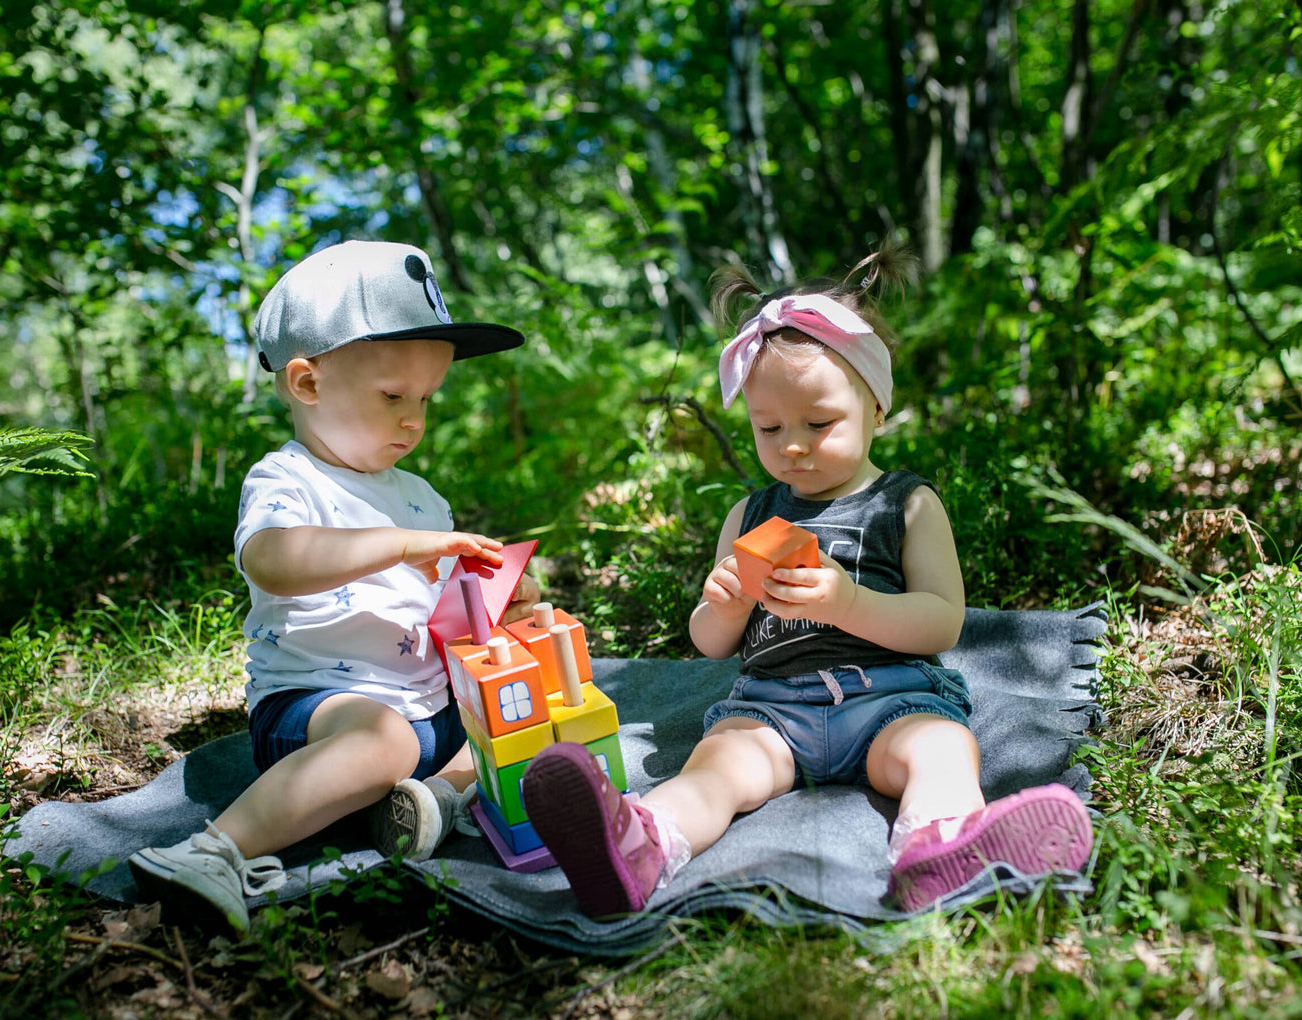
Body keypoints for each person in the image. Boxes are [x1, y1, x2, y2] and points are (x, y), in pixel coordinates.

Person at [522, 238, 1093, 917]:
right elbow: (709, 643)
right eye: (767, 428)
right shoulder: (749, 511)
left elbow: (941, 619)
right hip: (772, 707)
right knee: (718, 765)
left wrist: (847, 601)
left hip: (890, 699)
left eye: (819, 423)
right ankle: (640, 845)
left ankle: (938, 848)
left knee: (942, 748)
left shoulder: (904, 503)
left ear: (875, 409)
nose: (791, 445)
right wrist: (723, 602)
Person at [129, 240, 536, 934]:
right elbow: (274, 560)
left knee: (527, 699)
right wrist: (403, 546)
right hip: (321, 707)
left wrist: (497, 603)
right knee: (382, 741)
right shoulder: (287, 480)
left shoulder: (419, 494)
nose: (415, 419)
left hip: (428, 704)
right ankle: (215, 852)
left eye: (426, 399)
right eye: (393, 396)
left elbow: (441, 607)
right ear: (307, 384)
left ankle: (432, 801)